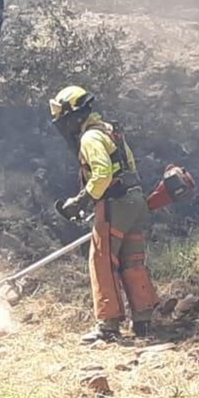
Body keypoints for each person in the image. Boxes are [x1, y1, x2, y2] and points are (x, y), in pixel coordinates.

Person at [49, 85, 159, 344]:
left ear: (74, 115)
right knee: (132, 260)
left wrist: (80, 201)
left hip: (115, 203)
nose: (63, 125)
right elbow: (130, 165)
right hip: (134, 200)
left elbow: (102, 174)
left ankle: (108, 326)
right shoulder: (111, 131)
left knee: (102, 260)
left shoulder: (89, 138)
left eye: (64, 119)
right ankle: (143, 320)